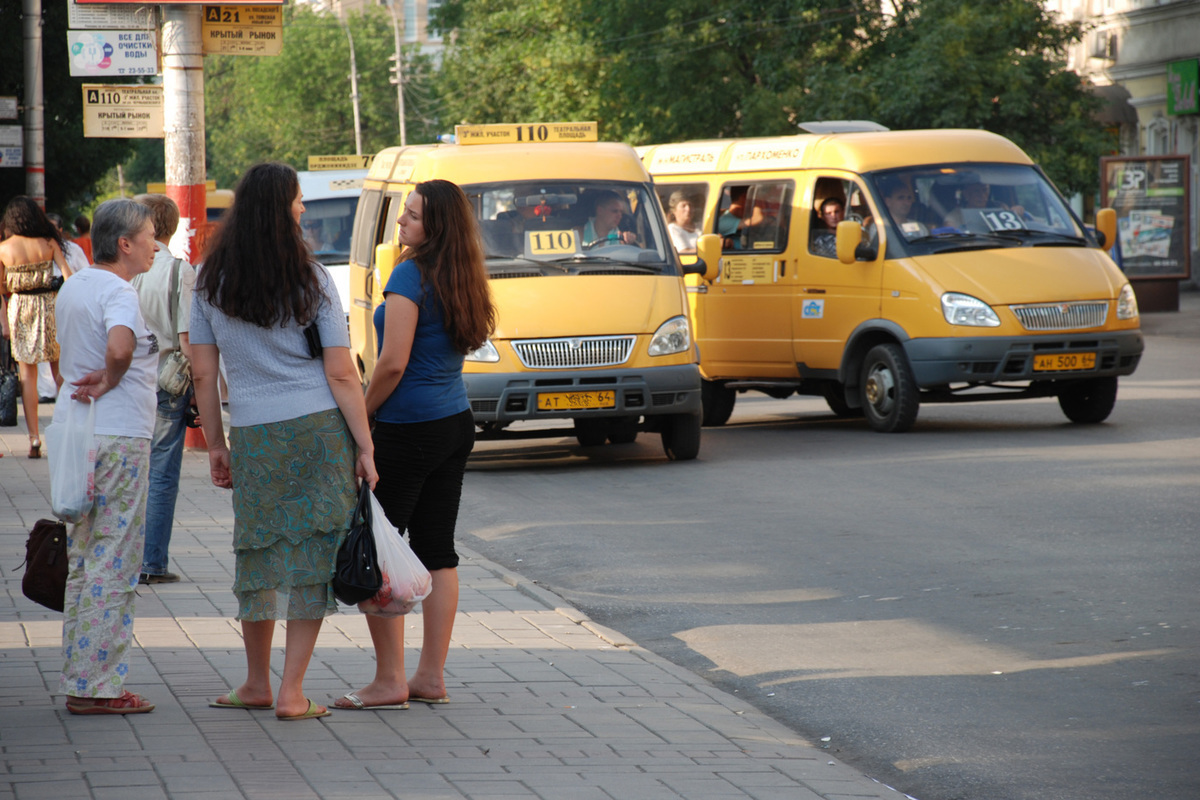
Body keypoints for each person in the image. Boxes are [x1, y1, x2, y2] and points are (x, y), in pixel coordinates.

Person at [190, 162, 377, 721]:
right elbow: (342, 373)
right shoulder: (313, 278)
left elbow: (203, 373)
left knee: (261, 550)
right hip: (318, 427)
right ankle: (292, 691)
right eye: (298, 200)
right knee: (312, 555)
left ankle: (254, 682)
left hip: (254, 430)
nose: (303, 208)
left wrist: (216, 444)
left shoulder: (207, 280)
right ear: (282, 208)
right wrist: (365, 445)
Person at [334, 179, 495, 710]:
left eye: (413, 215)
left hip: (409, 427)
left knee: (378, 548)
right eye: (404, 212)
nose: (401, 222)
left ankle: (389, 680)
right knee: (437, 551)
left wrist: (363, 409)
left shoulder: (409, 275)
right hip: (454, 421)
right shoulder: (463, 275)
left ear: (437, 226)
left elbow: (393, 362)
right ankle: (430, 677)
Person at [54, 198, 158, 714]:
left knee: (86, 559)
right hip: (120, 437)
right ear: (125, 243)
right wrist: (113, 377)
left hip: (81, 437)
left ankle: (81, 676)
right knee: (114, 563)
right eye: (149, 236)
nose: (155, 245)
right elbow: (120, 348)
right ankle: (99, 688)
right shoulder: (119, 291)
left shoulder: (74, 286)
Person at [131, 194, 196, 585]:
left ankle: (125, 555)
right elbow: (188, 341)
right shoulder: (179, 272)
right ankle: (152, 560)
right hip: (167, 383)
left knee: (131, 471)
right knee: (162, 474)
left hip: (127, 381)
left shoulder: (125, 269)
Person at [0, 196, 74, 458]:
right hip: (49, 305)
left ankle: (33, 438)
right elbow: (68, 274)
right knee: (59, 368)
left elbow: (1, 289)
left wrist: (4, 321)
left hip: (20, 308)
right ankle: (68, 426)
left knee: (28, 375)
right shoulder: (48, 242)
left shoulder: (4, 249)